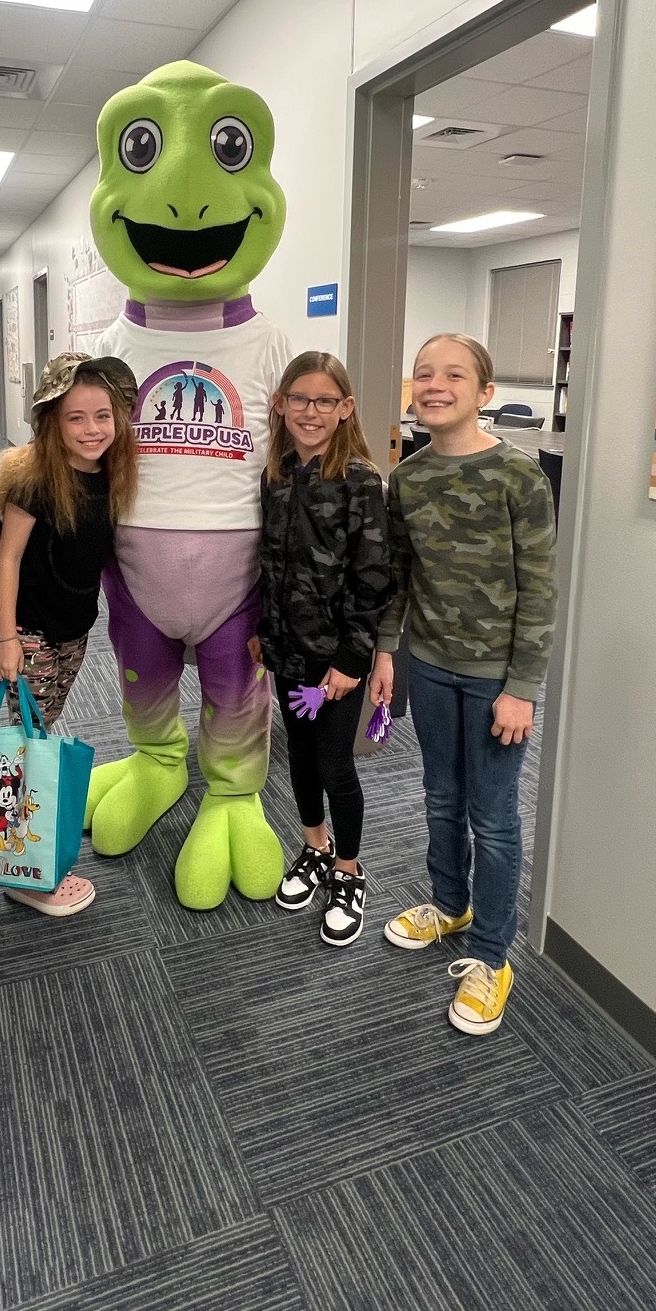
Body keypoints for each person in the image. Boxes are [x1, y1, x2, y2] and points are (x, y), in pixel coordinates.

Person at [372, 334, 557, 1034]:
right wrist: (387, 651)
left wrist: (523, 687)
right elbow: (400, 575)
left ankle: (491, 957)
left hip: (494, 681)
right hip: (429, 664)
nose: (435, 385)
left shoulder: (519, 476)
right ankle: (450, 906)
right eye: (424, 374)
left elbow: (539, 590)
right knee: (441, 797)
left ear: (484, 392)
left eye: (454, 375)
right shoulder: (408, 478)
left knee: (494, 817)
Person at [0, 353, 139, 918]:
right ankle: (27, 874)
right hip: (31, 633)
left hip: (75, 630)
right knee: (29, 745)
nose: (92, 429)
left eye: (103, 415)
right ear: (53, 421)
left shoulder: (111, 474)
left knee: (39, 733)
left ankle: (24, 856)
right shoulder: (35, 481)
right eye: (77, 417)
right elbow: (7, 560)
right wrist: (6, 638)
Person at [251, 352, 391, 946]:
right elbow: (266, 562)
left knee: (335, 764)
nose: (311, 411)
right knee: (301, 760)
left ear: (346, 408)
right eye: (300, 399)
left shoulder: (360, 480)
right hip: (288, 653)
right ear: (280, 404)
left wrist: (353, 660)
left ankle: (349, 871)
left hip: (336, 662)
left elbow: (374, 578)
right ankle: (315, 846)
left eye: (325, 401)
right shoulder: (275, 474)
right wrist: (263, 631)